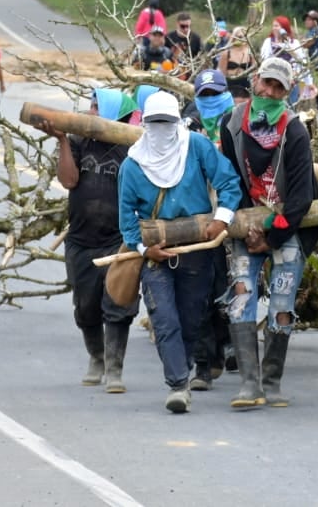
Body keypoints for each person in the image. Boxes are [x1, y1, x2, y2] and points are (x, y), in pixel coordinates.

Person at [119, 92, 243, 413]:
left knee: (191, 319)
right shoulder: (133, 165)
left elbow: (229, 183)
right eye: (155, 123)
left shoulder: (197, 147)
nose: (161, 129)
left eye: (167, 122)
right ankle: (177, 385)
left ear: (178, 122)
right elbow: (126, 219)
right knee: (164, 319)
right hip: (155, 254)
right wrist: (145, 249)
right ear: (145, 124)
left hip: (197, 250)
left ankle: (183, 372)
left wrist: (222, 219)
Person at [220, 57, 318, 409]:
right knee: (242, 298)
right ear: (255, 80)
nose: (269, 91)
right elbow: (230, 179)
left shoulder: (294, 130)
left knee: (281, 305)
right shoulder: (231, 123)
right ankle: (249, 384)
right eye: (266, 83)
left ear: (288, 91)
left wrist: (273, 234)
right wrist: (247, 228)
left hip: (285, 226)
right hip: (246, 224)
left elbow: (302, 195)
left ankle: (272, 381)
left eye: (278, 87)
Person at [36, 90, 139, 392]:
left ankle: (115, 368)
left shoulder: (132, 147)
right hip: (81, 239)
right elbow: (69, 181)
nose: (90, 111)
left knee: (119, 303)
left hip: (118, 239)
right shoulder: (80, 141)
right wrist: (63, 140)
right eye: (91, 105)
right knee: (85, 306)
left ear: (112, 111)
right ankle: (97, 357)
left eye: (96, 106)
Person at [181, 69, 237, 391]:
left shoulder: (238, 123)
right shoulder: (187, 127)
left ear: (225, 92)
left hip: (233, 217)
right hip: (197, 219)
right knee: (199, 293)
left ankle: (229, 347)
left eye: (215, 93)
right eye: (203, 95)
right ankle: (203, 365)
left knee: (229, 289)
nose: (210, 100)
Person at [218, 25, 255, 98]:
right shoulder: (227, 53)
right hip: (230, 85)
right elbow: (222, 72)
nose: (240, 39)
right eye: (238, 36)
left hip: (245, 86)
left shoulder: (250, 53)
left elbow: (255, 72)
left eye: (242, 37)